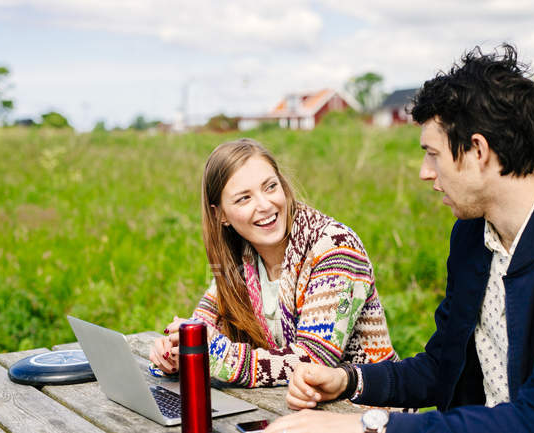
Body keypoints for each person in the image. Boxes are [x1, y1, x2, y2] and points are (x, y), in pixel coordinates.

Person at [265, 44, 534, 432]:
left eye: (432, 154)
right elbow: (442, 366)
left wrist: (364, 427)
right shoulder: (471, 235)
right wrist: (348, 380)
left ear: (477, 151)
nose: (424, 172)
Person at [149, 138, 397, 387]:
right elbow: (202, 327)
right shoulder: (242, 257)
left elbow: (314, 362)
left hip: (368, 409)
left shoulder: (335, 247)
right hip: (293, 407)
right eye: (244, 198)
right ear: (220, 215)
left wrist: (220, 356)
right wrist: (174, 352)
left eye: (270, 187)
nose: (265, 205)